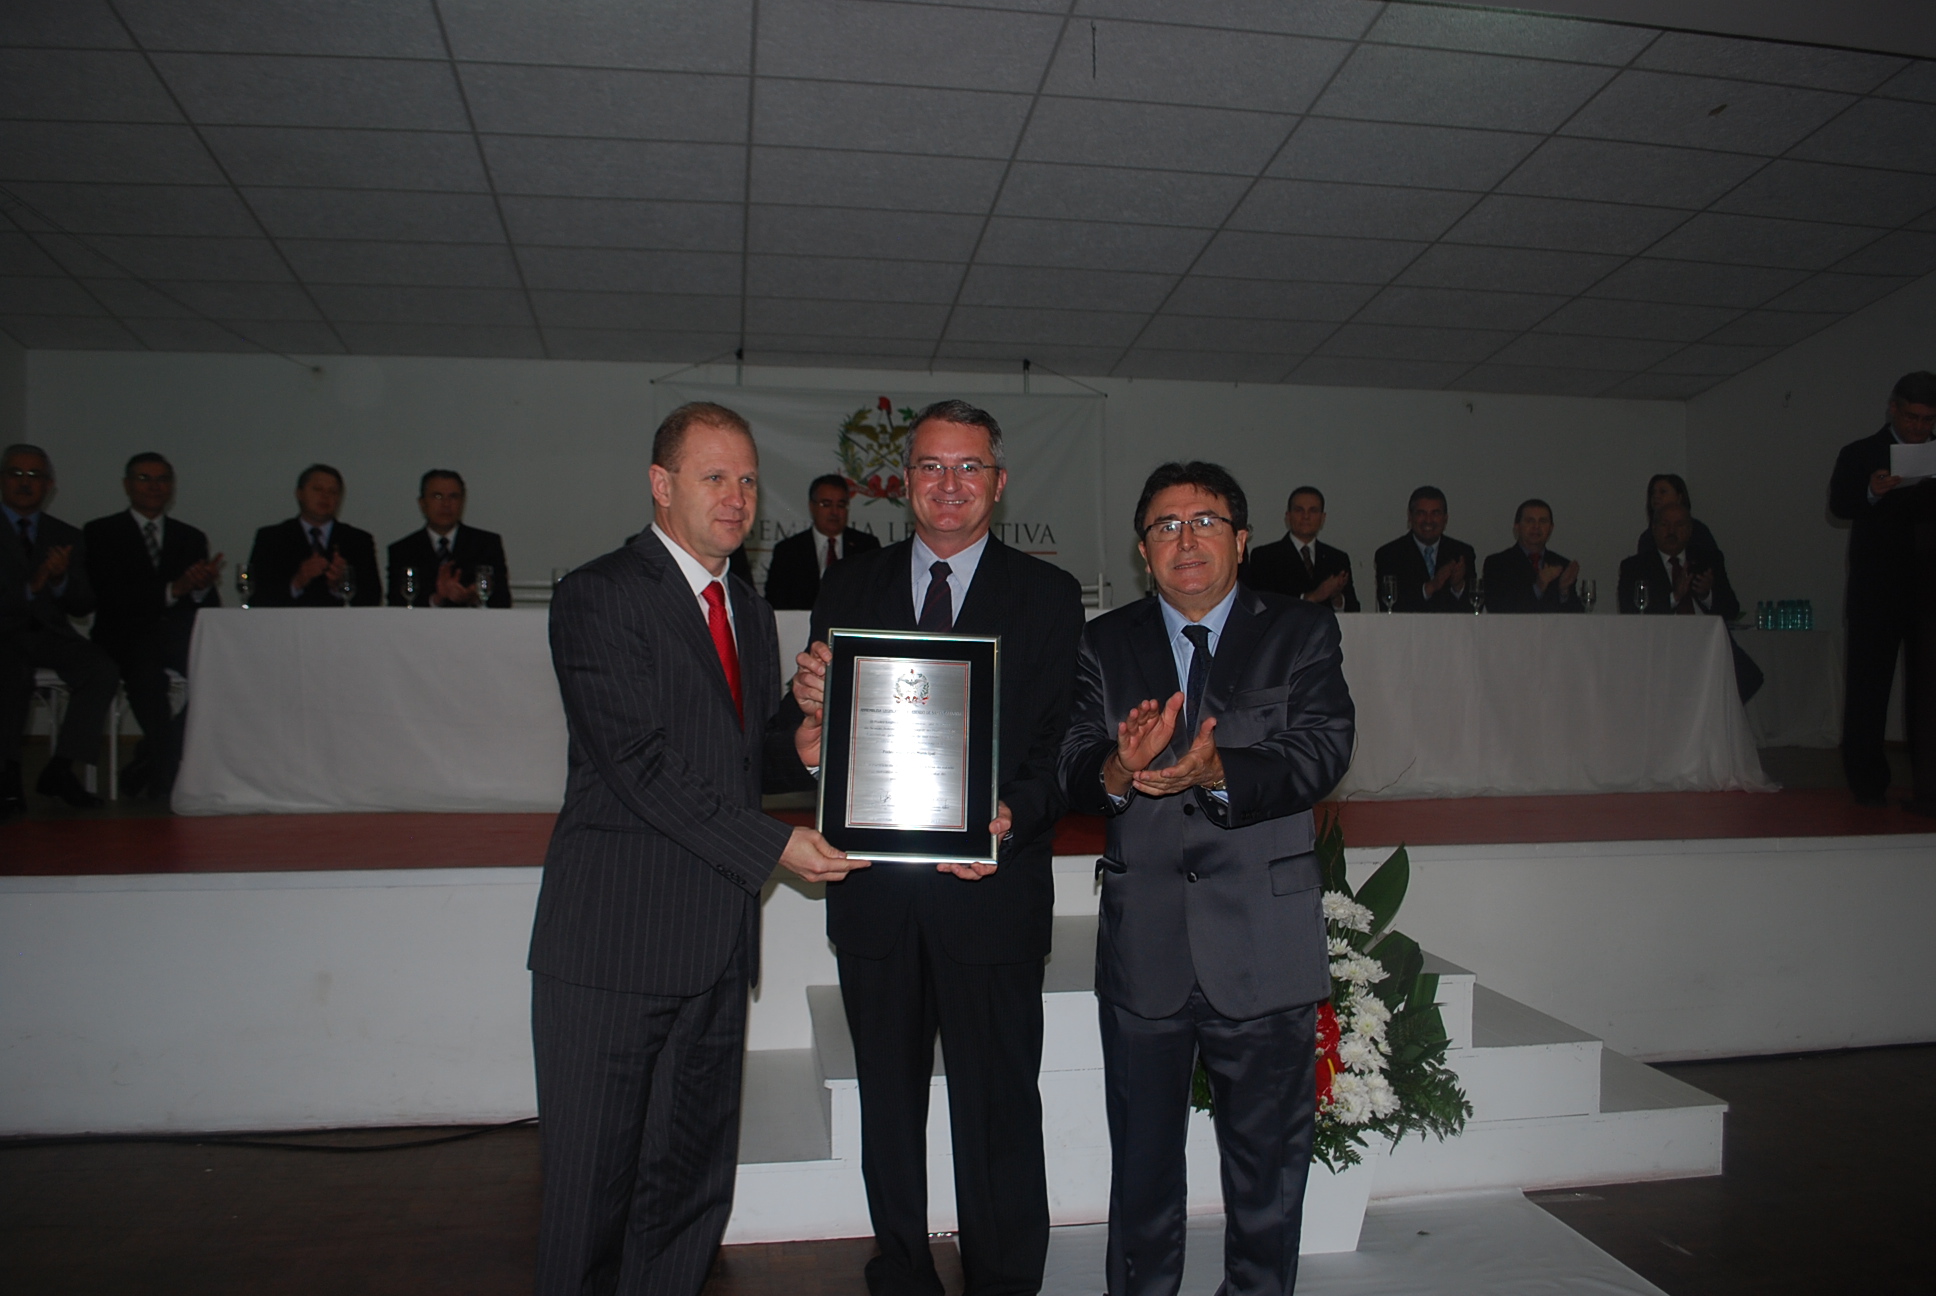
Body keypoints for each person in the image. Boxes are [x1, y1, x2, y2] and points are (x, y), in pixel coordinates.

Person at [529, 401, 864, 1296]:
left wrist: (798, 741)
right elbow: (638, 765)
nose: (737, 496)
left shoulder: (749, 612)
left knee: (688, 1194)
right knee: (589, 1202)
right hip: (614, 947)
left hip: (715, 947)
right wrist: (778, 847)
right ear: (661, 484)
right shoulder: (598, 595)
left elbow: (741, 755)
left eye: (749, 479)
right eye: (715, 476)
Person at [787, 399, 1085, 1296]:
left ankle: (1004, 1278)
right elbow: (819, 742)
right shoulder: (849, 589)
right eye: (928, 467)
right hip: (876, 895)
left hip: (991, 889)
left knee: (999, 1107)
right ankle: (903, 1271)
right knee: (889, 1106)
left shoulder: (1048, 595)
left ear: (997, 482)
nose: (947, 485)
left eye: (967, 468)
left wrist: (1008, 815)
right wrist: (811, 708)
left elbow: (1062, 748)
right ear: (904, 482)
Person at [1058, 460, 1354, 1296]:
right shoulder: (1104, 641)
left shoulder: (1300, 631)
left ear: (1242, 539)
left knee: (1267, 1178)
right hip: (1145, 946)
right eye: (1165, 527)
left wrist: (1215, 771)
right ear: (1144, 549)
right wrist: (1121, 763)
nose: (1185, 541)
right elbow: (1075, 766)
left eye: (1205, 522)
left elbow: (1323, 751)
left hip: (1262, 945)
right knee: (1142, 1173)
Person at [82, 453, 223, 800]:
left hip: (174, 634)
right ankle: (165, 768)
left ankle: (158, 754)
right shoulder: (101, 532)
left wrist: (201, 585)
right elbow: (110, 595)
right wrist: (172, 590)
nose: (154, 486)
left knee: (222, 674)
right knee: (147, 677)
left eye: (162, 479)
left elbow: (208, 606)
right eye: (145, 478)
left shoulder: (189, 537)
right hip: (124, 634)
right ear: (127, 485)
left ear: (172, 487)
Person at [1829, 371, 1936, 806]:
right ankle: (1868, 786)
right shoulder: (1860, 453)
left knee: (1928, 696)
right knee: (1868, 691)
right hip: (1877, 592)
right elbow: (1839, 504)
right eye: (1912, 417)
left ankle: (1929, 787)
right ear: (1892, 408)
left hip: (1929, 591)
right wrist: (1872, 492)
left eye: (1928, 420)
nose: (1919, 428)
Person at [1, 443, 119, 815]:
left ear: (49, 485)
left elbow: (83, 605)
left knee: (102, 669)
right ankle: (7, 775)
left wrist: (61, 579)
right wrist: (31, 587)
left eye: (34, 476)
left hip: (49, 635)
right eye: (16, 474)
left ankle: (61, 768)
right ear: (2, 480)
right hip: (3, 635)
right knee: (11, 674)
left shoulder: (65, 535)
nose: (25, 483)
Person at [247, 464, 381, 607]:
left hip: (340, 626)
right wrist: (297, 582)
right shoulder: (272, 538)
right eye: (317, 489)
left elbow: (373, 600)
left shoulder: (358, 540)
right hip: (286, 626)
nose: (325, 496)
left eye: (333, 492)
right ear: (299, 494)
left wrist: (341, 586)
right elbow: (255, 597)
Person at [385, 470, 511, 607]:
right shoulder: (403, 550)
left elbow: (502, 600)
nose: (446, 504)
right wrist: (437, 599)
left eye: (453, 497)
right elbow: (396, 603)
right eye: (437, 496)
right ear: (422, 503)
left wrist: (474, 598)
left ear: (462, 502)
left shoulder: (486, 544)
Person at [763, 473, 882, 610]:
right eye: (826, 504)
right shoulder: (788, 551)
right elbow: (775, 603)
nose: (834, 512)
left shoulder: (867, 547)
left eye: (841, 505)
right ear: (812, 507)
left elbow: (877, 598)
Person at [1239, 485, 1359, 611]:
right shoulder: (1266, 556)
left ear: (1323, 518)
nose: (1306, 516)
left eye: (1313, 510)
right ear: (1288, 516)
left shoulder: (1337, 558)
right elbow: (1262, 603)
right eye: (1299, 510)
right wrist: (1311, 597)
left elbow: (1354, 610)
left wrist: (1336, 598)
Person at [1372, 486, 1477, 612]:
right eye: (1421, 513)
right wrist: (1430, 587)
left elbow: (1476, 607)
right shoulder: (1389, 554)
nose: (1428, 520)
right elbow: (1388, 607)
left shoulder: (1462, 553)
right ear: (1410, 517)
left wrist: (1458, 587)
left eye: (1435, 513)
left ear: (1445, 518)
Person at [1481, 499, 1583, 613]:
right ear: (1517, 527)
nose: (1536, 526)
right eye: (1530, 521)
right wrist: (1538, 588)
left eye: (1543, 521)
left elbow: (1578, 618)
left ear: (1551, 528)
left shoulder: (1561, 565)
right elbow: (1497, 608)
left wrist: (1564, 591)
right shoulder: (1497, 563)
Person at [1636, 474, 1721, 563]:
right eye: (1653, 492)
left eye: (1663, 492)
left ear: (1679, 497)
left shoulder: (1698, 530)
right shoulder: (1647, 537)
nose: (1656, 496)